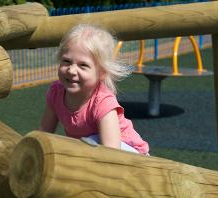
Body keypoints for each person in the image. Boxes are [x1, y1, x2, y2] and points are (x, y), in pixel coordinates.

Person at [39, 24, 149, 155]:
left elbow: (112, 153)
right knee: (80, 145)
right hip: (95, 148)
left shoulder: (102, 103)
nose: (71, 70)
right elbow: (44, 133)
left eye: (83, 65)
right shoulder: (56, 93)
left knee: (88, 142)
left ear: (102, 72)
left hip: (130, 154)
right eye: (66, 61)